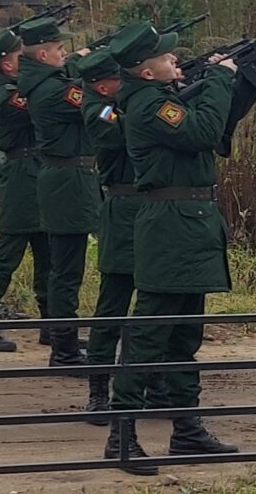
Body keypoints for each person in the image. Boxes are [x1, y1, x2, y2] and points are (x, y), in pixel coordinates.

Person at [102, 24, 256, 475]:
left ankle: (187, 430)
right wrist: (220, 76)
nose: (175, 60)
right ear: (146, 72)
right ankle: (121, 436)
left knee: (184, 336)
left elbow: (220, 124)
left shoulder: (163, 96)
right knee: (148, 335)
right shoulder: (149, 105)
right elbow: (202, 131)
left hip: (190, 225)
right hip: (169, 228)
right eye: (166, 58)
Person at [74, 49, 169, 424]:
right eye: (120, 79)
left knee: (155, 303)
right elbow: (125, 131)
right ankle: (99, 391)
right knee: (113, 303)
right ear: (104, 86)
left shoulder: (126, 103)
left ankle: (155, 384)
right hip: (123, 209)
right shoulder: (99, 111)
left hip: (150, 208)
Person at [16, 17, 96, 369]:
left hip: (68, 179)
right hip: (67, 183)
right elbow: (95, 106)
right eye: (60, 49)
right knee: (66, 271)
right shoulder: (52, 90)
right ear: (43, 55)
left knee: (65, 268)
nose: (65, 54)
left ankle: (64, 337)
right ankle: (63, 351)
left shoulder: (47, 83)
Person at [0, 29, 52, 352]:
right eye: (20, 58)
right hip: (21, 178)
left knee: (48, 254)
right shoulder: (4, 94)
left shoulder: (11, 86)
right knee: (7, 254)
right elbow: (38, 104)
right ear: (6, 65)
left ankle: (52, 325)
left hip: (35, 173)